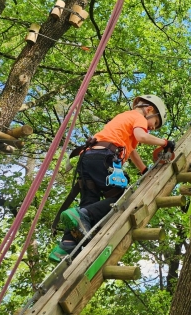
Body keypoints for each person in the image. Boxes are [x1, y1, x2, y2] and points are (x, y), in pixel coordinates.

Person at [49, 94, 175, 263]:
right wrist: (164, 143)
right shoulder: (139, 117)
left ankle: (66, 246)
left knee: (88, 205)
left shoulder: (124, 118)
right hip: (103, 157)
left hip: (87, 158)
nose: (152, 128)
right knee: (123, 200)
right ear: (149, 110)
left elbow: (131, 151)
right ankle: (81, 217)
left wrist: (144, 169)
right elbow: (142, 137)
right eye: (155, 123)